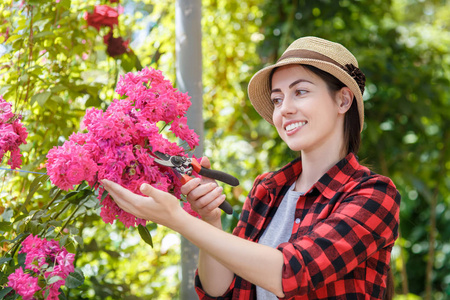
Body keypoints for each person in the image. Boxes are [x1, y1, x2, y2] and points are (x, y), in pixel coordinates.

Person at [101, 36, 401, 299]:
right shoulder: (268, 190)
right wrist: (209, 220)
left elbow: (292, 272)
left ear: (343, 100)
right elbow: (220, 290)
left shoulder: (374, 195)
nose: (284, 109)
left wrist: (178, 220)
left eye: (301, 92)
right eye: (277, 99)